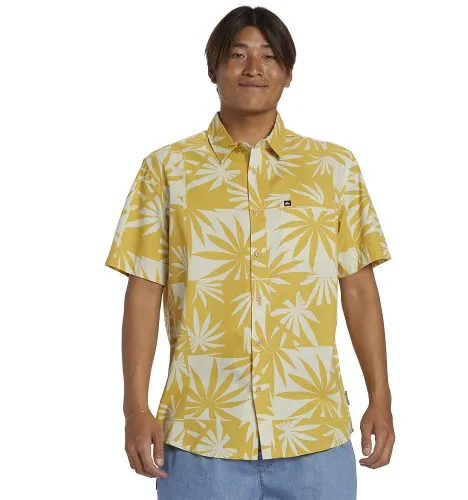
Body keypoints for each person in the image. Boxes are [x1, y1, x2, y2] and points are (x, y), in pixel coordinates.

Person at [105, 6, 395, 500]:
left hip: (314, 432)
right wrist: (136, 409)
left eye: (269, 56)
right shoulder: (167, 170)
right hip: (201, 435)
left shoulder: (334, 169)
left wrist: (380, 399)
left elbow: (359, 290)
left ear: (288, 73)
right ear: (213, 69)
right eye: (238, 55)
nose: (254, 68)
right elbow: (143, 293)